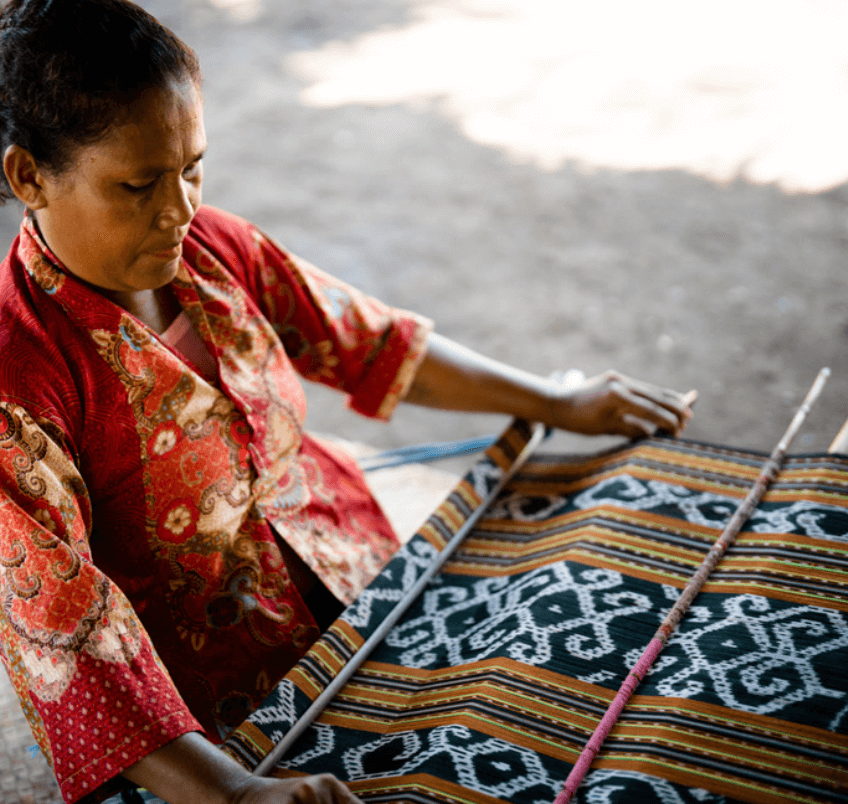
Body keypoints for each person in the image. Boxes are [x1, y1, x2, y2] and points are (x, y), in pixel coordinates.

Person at [0, 1, 696, 803]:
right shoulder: (20, 383)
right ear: (29, 177)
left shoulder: (213, 249)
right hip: (217, 724)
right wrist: (235, 792)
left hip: (363, 585)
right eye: (138, 183)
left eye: (192, 167)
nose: (179, 209)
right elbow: (69, 629)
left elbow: (366, 340)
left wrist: (556, 401)